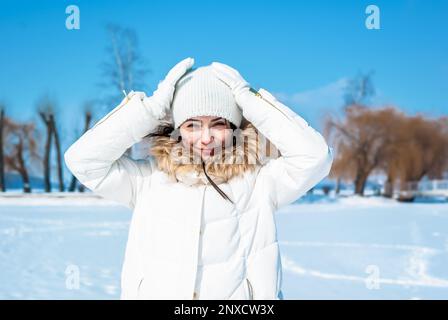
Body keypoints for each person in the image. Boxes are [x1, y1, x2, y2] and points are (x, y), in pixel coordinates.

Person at [64, 57, 334, 300]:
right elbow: (83, 160)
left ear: (235, 128)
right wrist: (150, 110)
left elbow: (315, 157)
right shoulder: (147, 179)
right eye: (192, 125)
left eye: (219, 123)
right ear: (177, 128)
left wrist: (250, 101)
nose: (206, 138)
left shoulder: (259, 183)